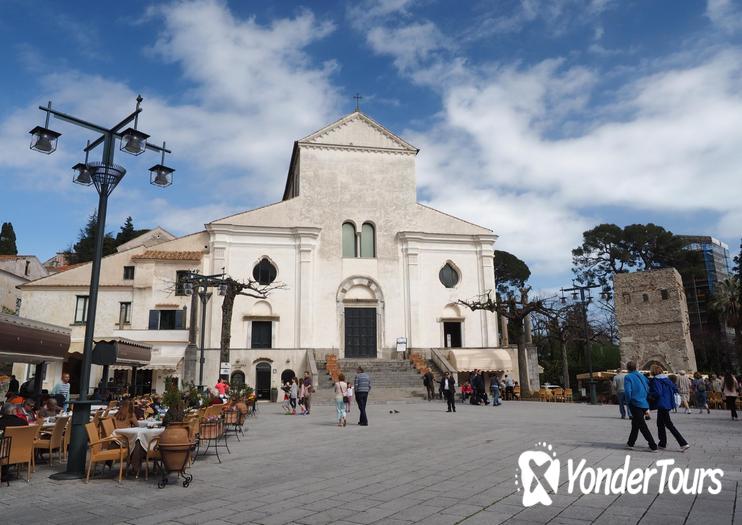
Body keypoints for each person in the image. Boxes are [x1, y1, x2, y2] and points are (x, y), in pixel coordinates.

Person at [649, 364, 689, 451]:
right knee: (660, 423)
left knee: (669, 424)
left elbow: (658, 392)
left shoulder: (656, 380)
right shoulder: (667, 379)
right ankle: (662, 443)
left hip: (661, 403)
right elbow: (675, 389)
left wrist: (650, 395)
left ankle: (683, 443)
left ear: (653, 372)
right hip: (668, 403)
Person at [623, 361, 657, 451]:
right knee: (635, 423)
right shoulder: (642, 376)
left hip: (635, 403)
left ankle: (653, 445)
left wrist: (628, 401)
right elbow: (648, 387)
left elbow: (627, 391)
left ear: (627, 368)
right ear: (636, 367)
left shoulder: (628, 377)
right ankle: (630, 443)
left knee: (642, 425)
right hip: (644, 402)